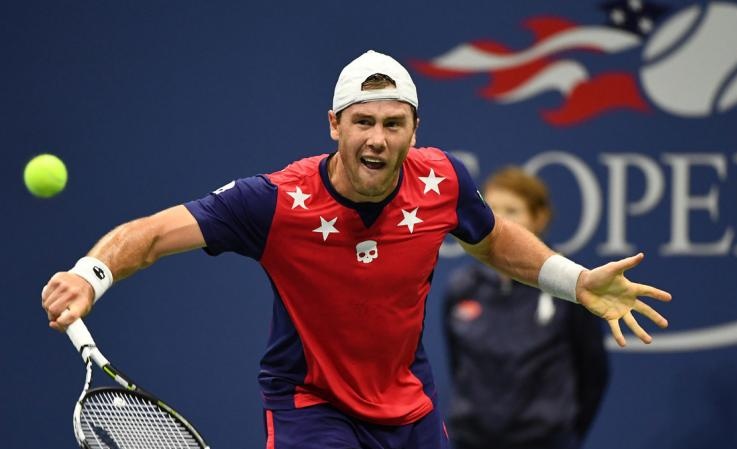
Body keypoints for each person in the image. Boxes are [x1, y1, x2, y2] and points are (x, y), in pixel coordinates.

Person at [41, 50, 671, 449]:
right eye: (363, 122)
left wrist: (574, 281)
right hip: (310, 407)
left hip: (409, 407)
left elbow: (494, 241)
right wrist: (91, 275)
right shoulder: (274, 201)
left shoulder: (442, 180)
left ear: (414, 131)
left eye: (393, 124)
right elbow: (152, 235)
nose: (377, 139)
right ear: (334, 125)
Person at [443, 167, 608, 449]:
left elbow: (593, 372)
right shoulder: (461, 288)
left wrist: (562, 433)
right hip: (470, 440)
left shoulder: (570, 287)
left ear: (540, 218)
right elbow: (457, 365)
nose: (498, 220)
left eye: (512, 210)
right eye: (491, 209)